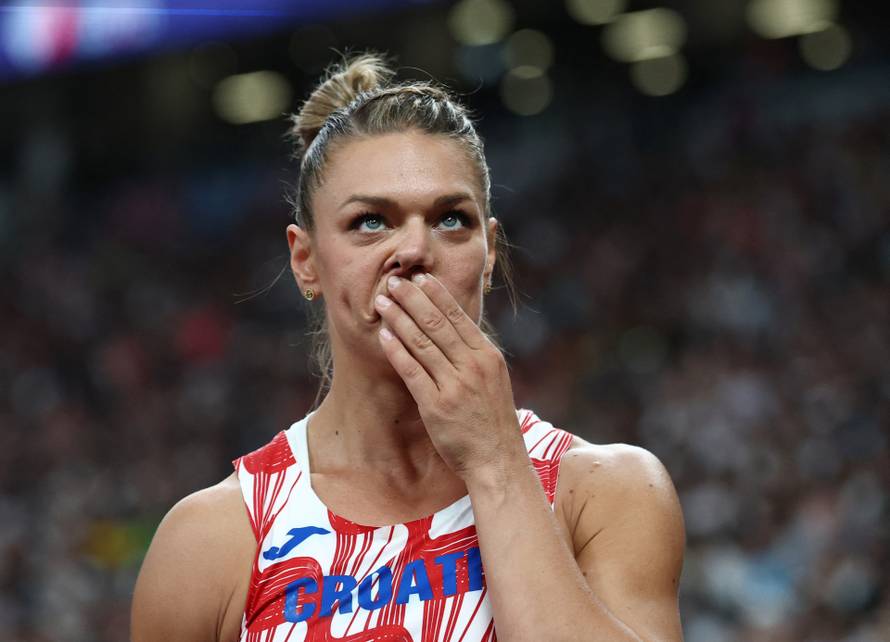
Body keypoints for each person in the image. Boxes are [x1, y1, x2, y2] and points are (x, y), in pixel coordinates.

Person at [131, 52, 686, 642]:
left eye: (451, 219)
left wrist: (496, 462)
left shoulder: (605, 493)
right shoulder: (212, 541)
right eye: (371, 221)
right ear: (306, 261)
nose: (414, 249)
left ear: (490, 254)